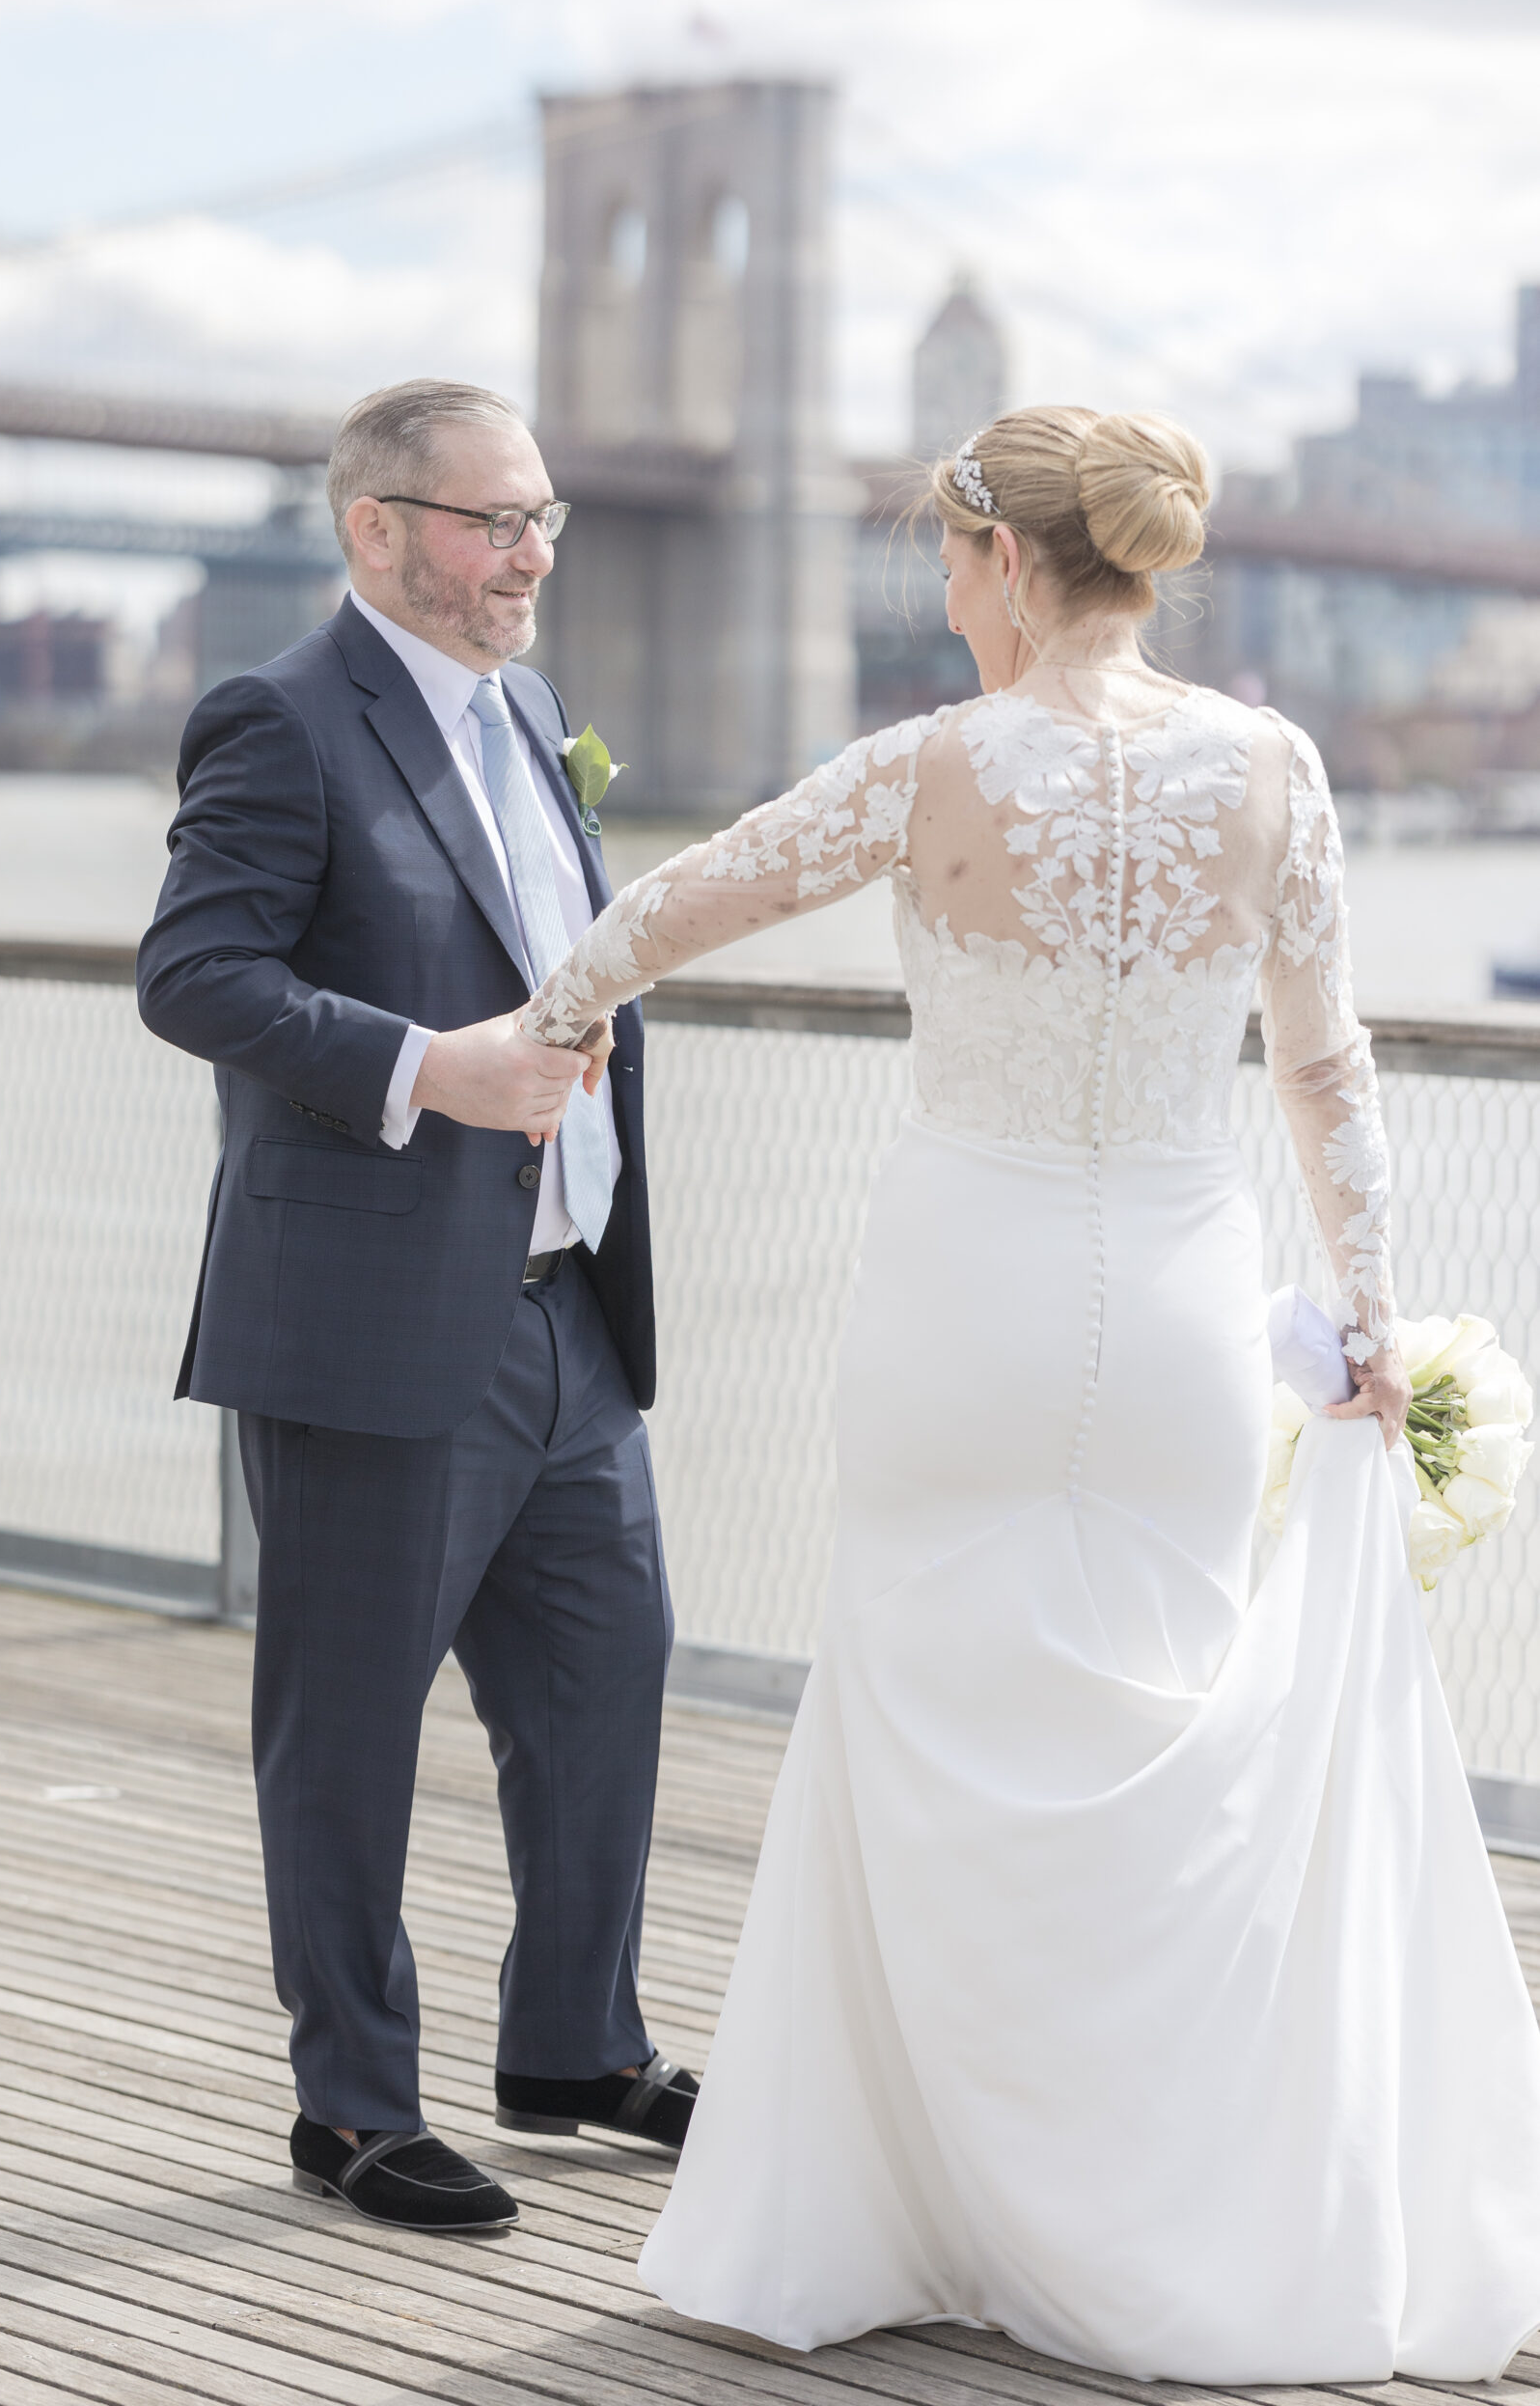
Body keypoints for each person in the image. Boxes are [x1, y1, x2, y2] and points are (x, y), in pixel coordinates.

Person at [514, 405, 1540, 2378]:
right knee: (1161, 1729)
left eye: (943, 558)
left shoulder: (925, 767)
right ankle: (1152, 2203)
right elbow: (1324, 1076)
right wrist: (1362, 1308)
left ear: (992, 558)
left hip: (956, 1296)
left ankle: (918, 2207)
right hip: (1169, 1299)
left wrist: (544, 1025)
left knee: (910, 1716)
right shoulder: (1271, 767)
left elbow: (668, 910)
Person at [135, 378, 696, 2237]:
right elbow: (195, 975)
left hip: (567, 1313)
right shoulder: (280, 720)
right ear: (379, 529)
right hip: (377, 1320)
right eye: (495, 521)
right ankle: (356, 2109)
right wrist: (422, 1068)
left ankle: (573, 2050)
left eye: (545, 517)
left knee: (608, 1686)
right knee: (350, 1729)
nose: (535, 551)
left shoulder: (530, 706)